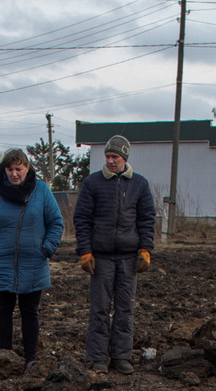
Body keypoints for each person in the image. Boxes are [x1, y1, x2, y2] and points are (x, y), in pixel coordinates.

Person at [0, 147, 64, 369]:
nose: (15, 173)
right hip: (1, 263)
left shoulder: (41, 191)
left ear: (27, 168)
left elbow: (56, 223)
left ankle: (30, 358)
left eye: (19, 169)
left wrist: (47, 248)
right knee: (3, 311)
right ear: (4, 170)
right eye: (10, 169)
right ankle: (6, 357)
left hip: (33, 263)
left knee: (29, 312)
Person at [73, 134, 156, 374]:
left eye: (115, 157)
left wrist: (146, 249)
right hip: (101, 257)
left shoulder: (139, 184)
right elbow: (82, 219)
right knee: (99, 308)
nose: (110, 161)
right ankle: (98, 357)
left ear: (124, 158)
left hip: (129, 257)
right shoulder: (92, 183)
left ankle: (122, 356)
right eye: (108, 156)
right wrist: (85, 251)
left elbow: (147, 218)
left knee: (124, 308)